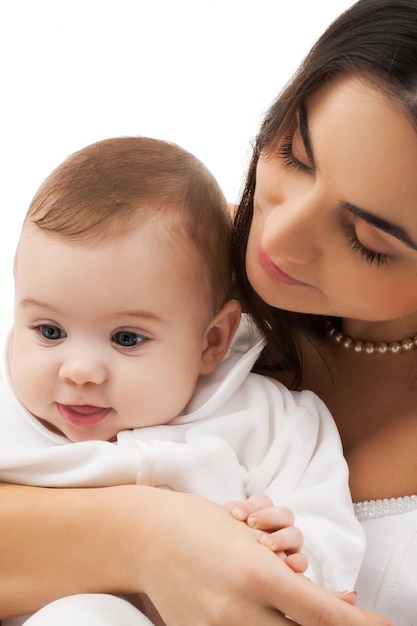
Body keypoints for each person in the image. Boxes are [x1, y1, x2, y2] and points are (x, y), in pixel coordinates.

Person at [0, 136, 363, 625]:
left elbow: (328, 534)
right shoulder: (8, 411)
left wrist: (296, 554)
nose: (79, 370)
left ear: (212, 341)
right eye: (49, 331)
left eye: (126, 338)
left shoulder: (266, 421)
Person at [230, 0, 417, 624]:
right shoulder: (168, 269)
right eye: (294, 156)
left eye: (368, 242)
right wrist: (156, 541)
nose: (277, 239)